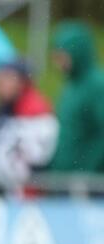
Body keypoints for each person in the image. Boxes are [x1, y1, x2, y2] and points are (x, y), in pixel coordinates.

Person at [0, 61, 58, 191]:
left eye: (7, 77)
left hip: (29, 195)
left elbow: (35, 158)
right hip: (12, 190)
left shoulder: (34, 110)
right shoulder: (7, 108)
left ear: (22, 81)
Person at [50, 21, 104, 173]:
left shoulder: (97, 85)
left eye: (63, 56)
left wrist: (90, 170)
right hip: (65, 179)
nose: (59, 63)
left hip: (88, 183)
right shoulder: (71, 86)